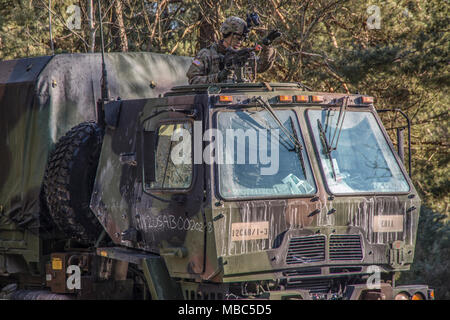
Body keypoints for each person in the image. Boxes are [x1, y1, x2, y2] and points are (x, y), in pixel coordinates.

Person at [186, 16, 276, 84]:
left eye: (243, 38)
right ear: (226, 34)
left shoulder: (241, 55)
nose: (240, 41)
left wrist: (267, 46)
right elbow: (193, 80)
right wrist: (218, 77)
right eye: (238, 38)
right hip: (215, 102)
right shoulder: (206, 54)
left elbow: (261, 66)